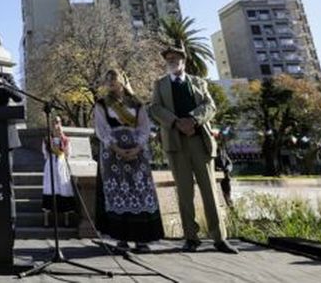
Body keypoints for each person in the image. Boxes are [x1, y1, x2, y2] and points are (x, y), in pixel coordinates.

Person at [149, 45, 238, 254]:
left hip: (199, 142)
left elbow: (210, 106)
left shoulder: (199, 82)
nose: (171, 61)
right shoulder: (160, 84)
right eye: (168, 58)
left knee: (209, 191)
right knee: (185, 193)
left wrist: (193, 120)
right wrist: (176, 122)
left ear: (184, 60)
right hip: (176, 144)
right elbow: (155, 108)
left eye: (175, 58)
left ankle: (219, 238)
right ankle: (191, 237)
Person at [93, 68, 164, 252]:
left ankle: (142, 239)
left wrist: (138, 147)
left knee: (139, 190)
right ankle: (121, 239)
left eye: (113, 78)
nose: (110, 82)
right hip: (112, 154)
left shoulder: (137, 104)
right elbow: (101, 129)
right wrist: (116, 148)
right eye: (107, 79)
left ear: (123, 80)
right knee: (118, 192)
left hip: (136, 153)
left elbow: (144, 127)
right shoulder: (101, 104)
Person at [41, 115, 76, 227]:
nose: (56, 124)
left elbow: (68, 154)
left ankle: (66, 219)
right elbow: (45, 154)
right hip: (51, 164)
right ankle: (46, 220)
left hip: (61, 164)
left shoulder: (65, 139)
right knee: (50, 188)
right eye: (54, 122)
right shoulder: (47, 139)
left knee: (63, 187)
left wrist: (61, 138)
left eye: (58, 122)